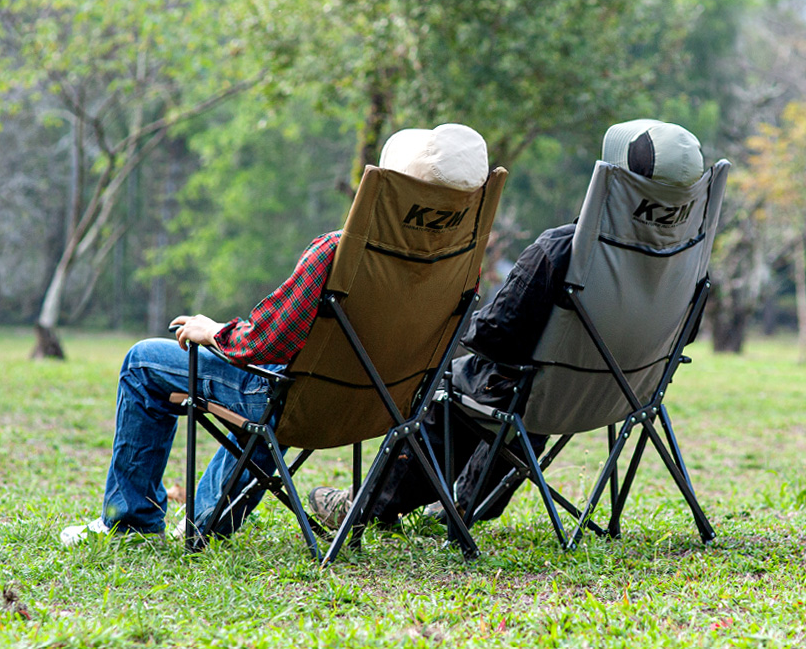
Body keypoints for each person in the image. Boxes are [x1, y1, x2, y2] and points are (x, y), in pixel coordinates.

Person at [59, 123, 490, 545]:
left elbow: (266, 342)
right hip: (383, 408)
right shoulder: (461, 270)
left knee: (144, 362)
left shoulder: (339, 254)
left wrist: (214, 332)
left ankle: (130, 523)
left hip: (295, 404)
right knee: (283, 378)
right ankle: (209, 521)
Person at [307, 118, 705, 529]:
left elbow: (495, 335)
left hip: (539, 397)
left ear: (616, 180)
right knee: (516, 383)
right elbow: (685, 333)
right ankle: (470, 503)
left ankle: (367, 506)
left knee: (460, 386)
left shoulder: (563, 249)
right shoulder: (691, 258)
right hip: (628, 395)